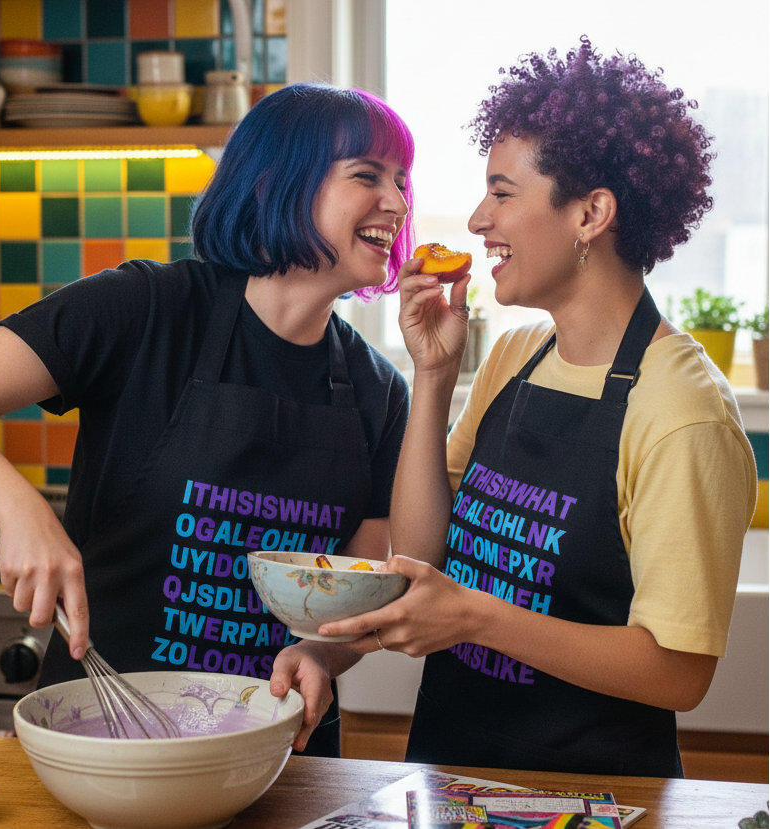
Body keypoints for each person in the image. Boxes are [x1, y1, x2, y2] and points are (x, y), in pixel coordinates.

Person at [318, 39, 758, 776]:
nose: (477, 218)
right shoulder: (515, 356)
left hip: (597, 799)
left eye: (501, 192)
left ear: (590, 213)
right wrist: (433, 374)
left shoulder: (679, 409)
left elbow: (678, 671)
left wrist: (475, 617)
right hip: (452, 776)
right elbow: (421, 552)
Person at [0, 82, 415, 757]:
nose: (396, 202)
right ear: (275, 183)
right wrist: (21, 510)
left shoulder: (379, 390)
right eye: (367, 175)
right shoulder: (145, 309)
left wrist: (322, 654)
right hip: (105, 742)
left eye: (402, 180)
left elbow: (357, 589)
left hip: (281, 755)